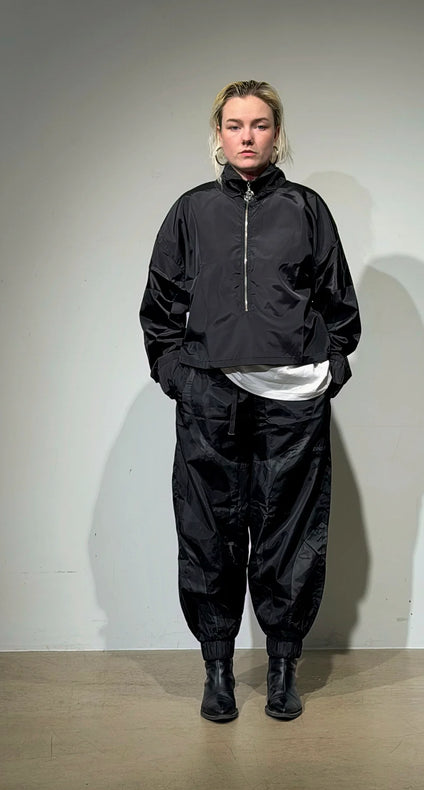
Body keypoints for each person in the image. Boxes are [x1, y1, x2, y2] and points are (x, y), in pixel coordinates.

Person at [139, 80, 361, 722]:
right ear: (218, 133)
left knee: (290, 529)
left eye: (259, 124)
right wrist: (178, 375)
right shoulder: (191, 211)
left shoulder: (306, 208)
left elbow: (339, 304)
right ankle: (218, 668)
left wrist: (329, 368)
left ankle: (284, 665)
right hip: (209, 393)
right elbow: (160, 307)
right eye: (234, 125)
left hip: (291, 397)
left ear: (276, 133)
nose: (247, 136)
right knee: (208, 528)